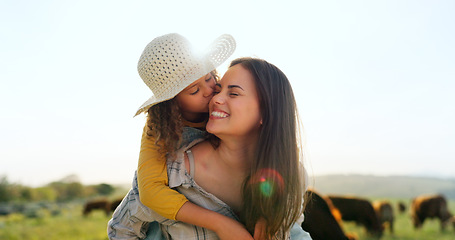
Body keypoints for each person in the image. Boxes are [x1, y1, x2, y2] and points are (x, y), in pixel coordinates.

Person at [108, 57, 311, 239]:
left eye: (232, 93)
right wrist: (222, 225)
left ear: (266, 113)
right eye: (195, 90)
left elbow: (294, 229)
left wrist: (270, 218)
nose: (213, 97)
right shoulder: (172, 173)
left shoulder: (292, 176)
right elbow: (127, 222)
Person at [107, 33, 255, 239]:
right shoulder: (158, 127)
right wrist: (222, 224)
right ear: (172, 102)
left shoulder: (225, 108)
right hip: (150, 222)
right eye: (194, 90)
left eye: (208, 77)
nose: (209, 90)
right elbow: (150, 191)